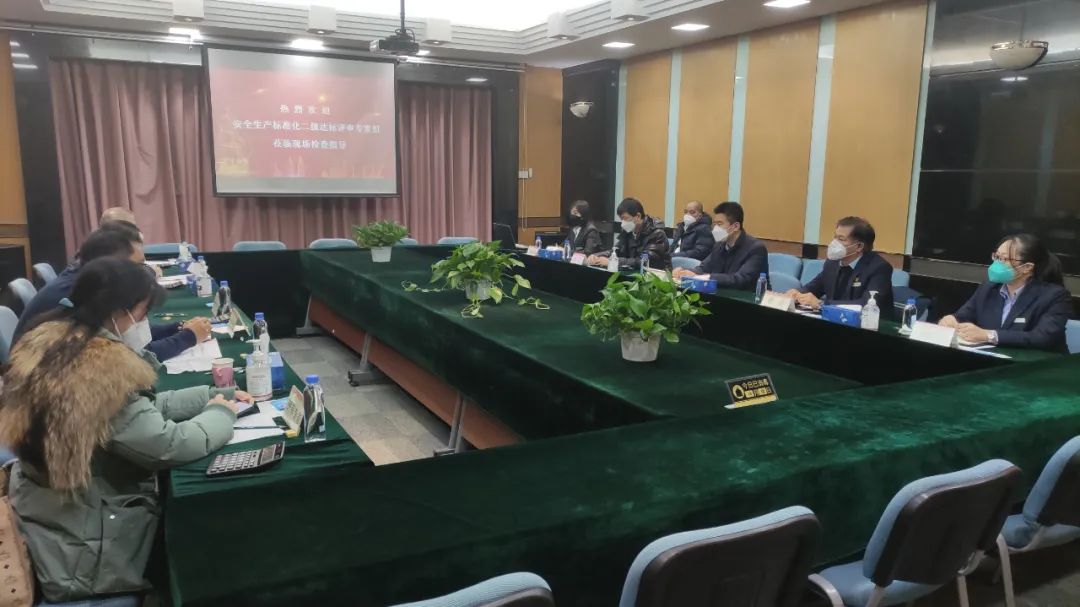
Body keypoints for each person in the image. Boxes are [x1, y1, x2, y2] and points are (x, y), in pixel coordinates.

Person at [0, 257, 249, 602]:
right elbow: (169, 444)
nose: (144, 324)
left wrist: (209, 396)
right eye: (142, 314)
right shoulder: (98, 372)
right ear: (119, 313)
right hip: (83, 549)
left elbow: (134, 411)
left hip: (52, 511)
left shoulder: (57, 339)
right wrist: (221, 414)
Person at [12, 224, 211, 360]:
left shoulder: (90, 282)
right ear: (113, 265)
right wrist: (187, 337)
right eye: (138, 266)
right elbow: (129, 356)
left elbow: (124, 334)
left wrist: (176, 328)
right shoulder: (78, 295)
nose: (144, 272)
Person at [939, 234, 1072, 352]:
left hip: (1041, 365)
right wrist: (951, 320)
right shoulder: (989, 288)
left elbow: (1041, 337)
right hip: (993, 359)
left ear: (1027, 268)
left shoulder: (1054, 296)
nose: (997, 263)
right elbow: (963, 316)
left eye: (1004, 259)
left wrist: (989, 336)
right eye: (996, 257)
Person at [786, 216, 894, 313]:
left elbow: (866, 304)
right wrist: (797, 294)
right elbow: (813, 287)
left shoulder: (879, 268)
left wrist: (821, 304)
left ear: (859, 246)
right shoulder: (832, 263)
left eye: (841, 239)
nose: (834, 243)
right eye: (835, 237)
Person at [672, 201, 768, 290]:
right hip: (722, 294)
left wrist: (708, 277)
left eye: (719, 224)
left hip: (749, 298)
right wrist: (686, 271)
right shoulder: (719, 245)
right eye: (714, 224)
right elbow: (704, 267)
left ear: (735, 226)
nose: (715, 228)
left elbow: (740, 279)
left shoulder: (756, 248)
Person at [587, 197, 670, 270]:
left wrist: (613, 261)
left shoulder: (657, 233)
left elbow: (644, 261)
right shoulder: (628, 231)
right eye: (621, 219)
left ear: (638, 216)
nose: (623, 223)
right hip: (633, 273)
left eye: (625, 218)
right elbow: (616, 251)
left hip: (656, 277)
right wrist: (597, 256)